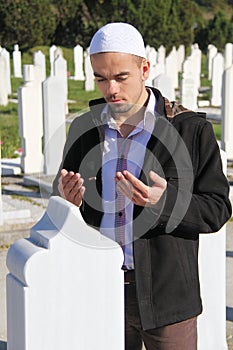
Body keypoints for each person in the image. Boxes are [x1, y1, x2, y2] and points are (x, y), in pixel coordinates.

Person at [52, 22, 232, 350]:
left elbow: (218, 208)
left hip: (168, 297)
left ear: (144, 68)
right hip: (99, 289)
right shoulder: (83, 128)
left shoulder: (190, 129)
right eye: (101, 78)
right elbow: (62, 200)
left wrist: (166, 202)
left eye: (121, 77)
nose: (111, 89)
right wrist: (67, 199)